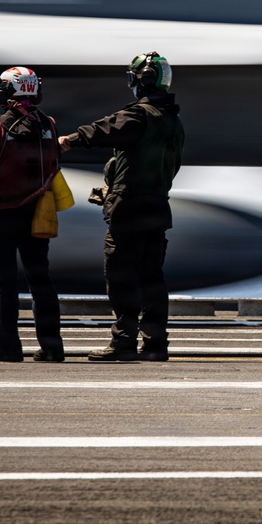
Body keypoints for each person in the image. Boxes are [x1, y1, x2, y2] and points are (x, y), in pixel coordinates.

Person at [58, 51, 184, 362]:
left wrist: (70, 140)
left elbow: (106, 128)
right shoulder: (173, 121)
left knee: (121, 275)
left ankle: (123, 342)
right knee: (152, 277)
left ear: (142, 80)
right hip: (158, 206)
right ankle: (155, 343)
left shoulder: (139, 116)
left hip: (129, 207)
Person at [0, 66, 65, 362]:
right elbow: (54, 162)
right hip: (37, 213)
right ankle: (51, 347)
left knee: (7, 284)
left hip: (2, 213)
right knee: (41, 279)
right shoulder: (48, 124)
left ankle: (9, 348)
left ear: (7, 91)